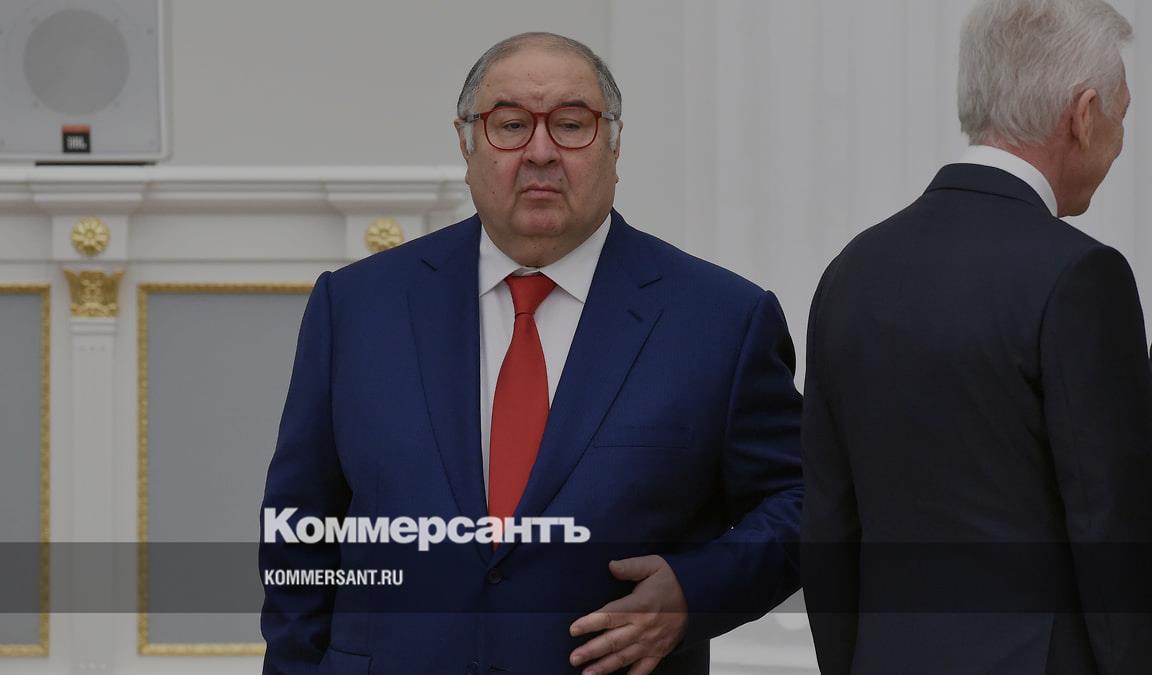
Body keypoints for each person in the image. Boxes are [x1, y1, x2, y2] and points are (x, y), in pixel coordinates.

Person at [260, 32, 804, 674]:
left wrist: (696, 593)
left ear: (614, 144)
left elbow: (803, 502)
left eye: (571, 125)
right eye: (511, 125)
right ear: (466, 144)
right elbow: (301, 527)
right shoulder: (356, 307)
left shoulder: (721, 320)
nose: (540, 152)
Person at [801, 0, 1152, 672]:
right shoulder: (1082, 276)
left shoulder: (850, 272)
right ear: (1082, 115)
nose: (1119, 142)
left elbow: (828, 525)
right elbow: (1111, 529)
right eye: (1121, 117)